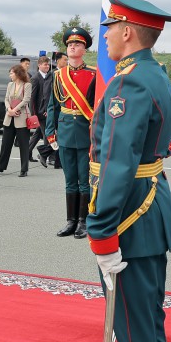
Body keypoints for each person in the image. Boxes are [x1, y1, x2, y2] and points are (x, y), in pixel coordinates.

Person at [85, 0, 171, 342]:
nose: (105, 37)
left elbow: (118, 164)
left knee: (136, 331)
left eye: (108, 29)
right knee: (146, 328)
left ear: (126, 31)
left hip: (129, 218)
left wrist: (100, 231)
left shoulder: (130, 85)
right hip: (148, 209)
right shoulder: (155, 77)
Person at [46, 28, 96, 239]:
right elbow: (53, 106)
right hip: (65, 130)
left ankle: (84, 221)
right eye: (70, 45)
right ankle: (71, 220)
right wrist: (50, 131)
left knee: (84, 180)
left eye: (77, 44)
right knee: (70, 179)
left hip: (86, 133)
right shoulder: (59, 76)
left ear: (84, 49)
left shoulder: (94, 74)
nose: (73, 47)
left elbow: (97, 106)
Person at [0, 64, 32, 177]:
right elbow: (6, 98)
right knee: (5, 144)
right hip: (9, 117)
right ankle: (0, 166)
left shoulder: (27, 85)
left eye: (11, 73)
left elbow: (26, 100)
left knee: (23, 145)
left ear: (18, 74)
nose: (10, 75)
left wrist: (15, 109)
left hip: (22, 117)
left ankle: (24, 169)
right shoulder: (10, 84)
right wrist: (9, 109)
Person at [28, 56, 53, 165]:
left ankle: (26, 153)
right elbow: (32, 98)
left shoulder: (49, 76)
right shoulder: (35, 78)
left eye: (48, 64)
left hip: (47, 111)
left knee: (38, 134)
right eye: (45, 64)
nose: (47, 66)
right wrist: (34, 114)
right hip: (41, 112)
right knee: (47, 134)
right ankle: (44, 155)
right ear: (39, 65)